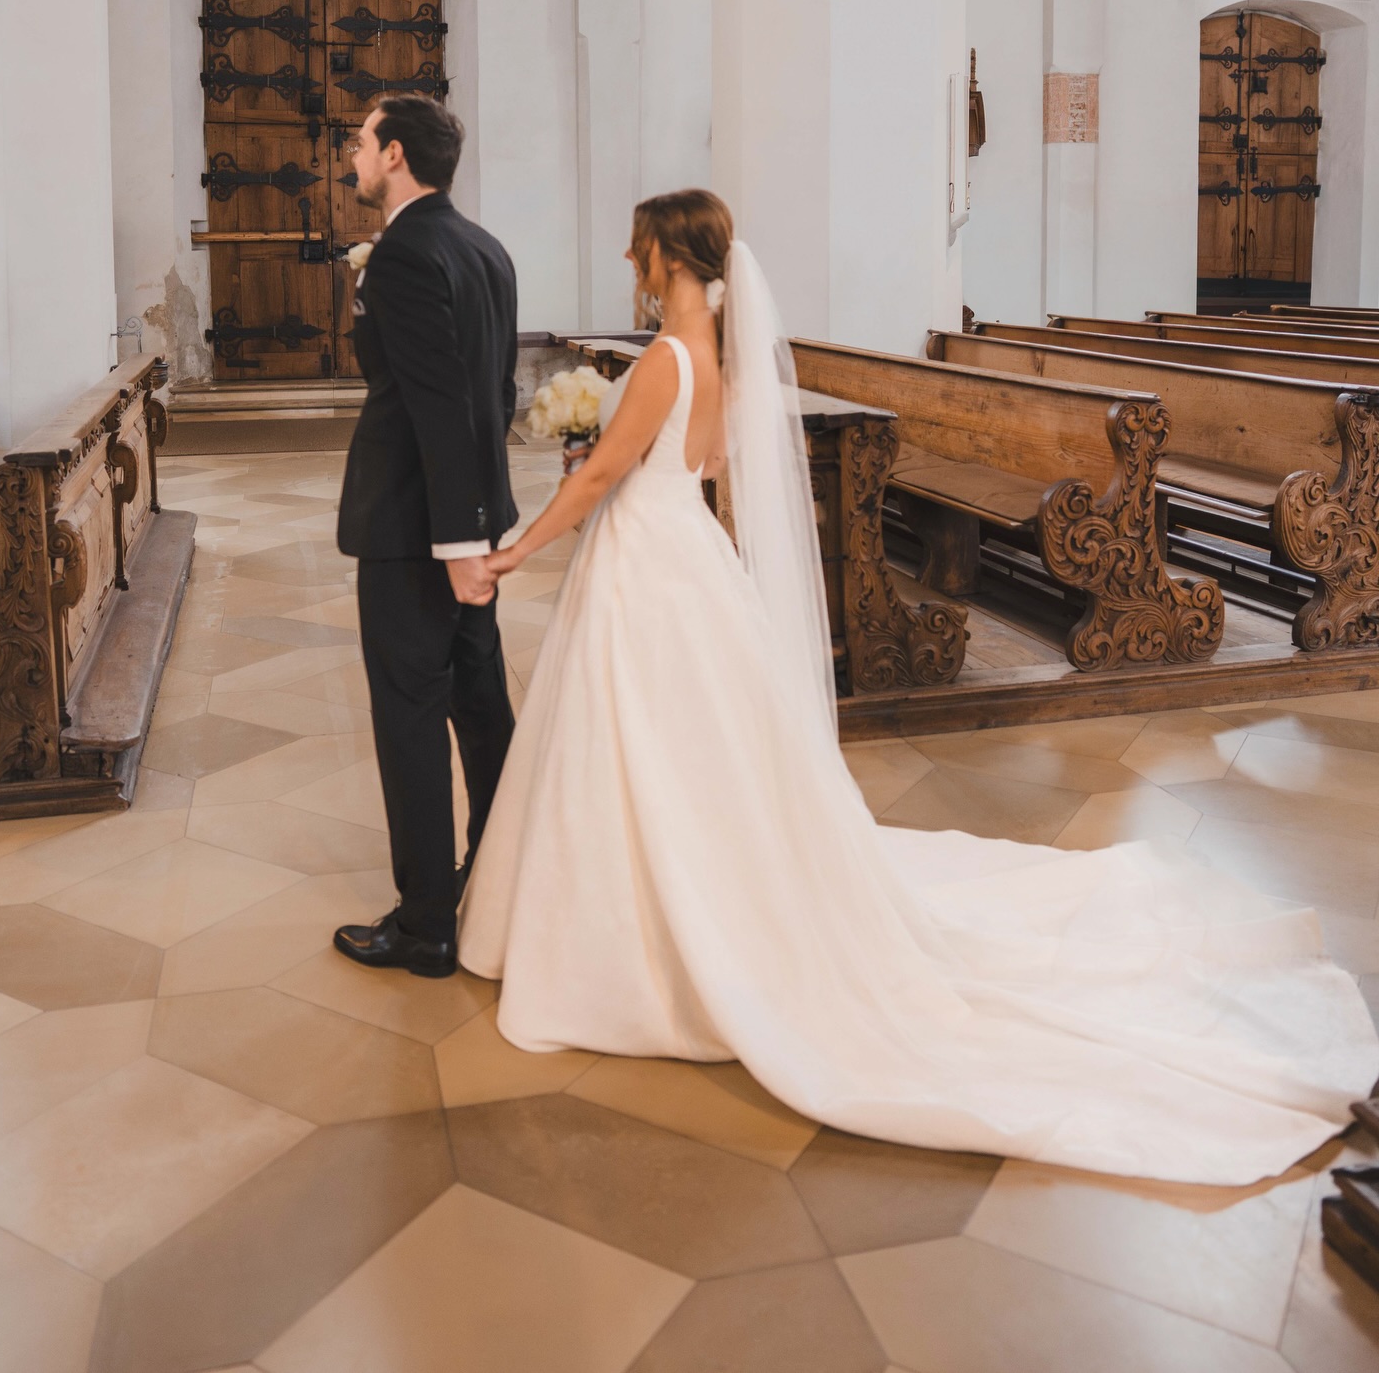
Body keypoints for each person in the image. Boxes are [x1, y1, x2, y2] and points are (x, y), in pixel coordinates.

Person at [459, 188, 1379, 1185]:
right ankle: (688, 892)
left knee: (642, 742)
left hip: (646, 563)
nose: (629, 255)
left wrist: (515, 550)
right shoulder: (717, 361)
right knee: (696, 749)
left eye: (637, 241)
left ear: (665, 255)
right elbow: (709, 467)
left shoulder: (665, 360)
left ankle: (640, 933)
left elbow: (600, 482)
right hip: (683, 557)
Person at [333, 97, 518, 979]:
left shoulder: (404, 253)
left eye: (361, 142)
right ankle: (506, 873)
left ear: (396, 153)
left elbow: (440, 406)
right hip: (467, 522)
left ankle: (426, 925)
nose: (352, 156)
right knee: (481, 711)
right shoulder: (485, 248)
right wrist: (481, 529)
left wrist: (453, 543)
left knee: (409, 719)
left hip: (417, 532)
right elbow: (495, 397)